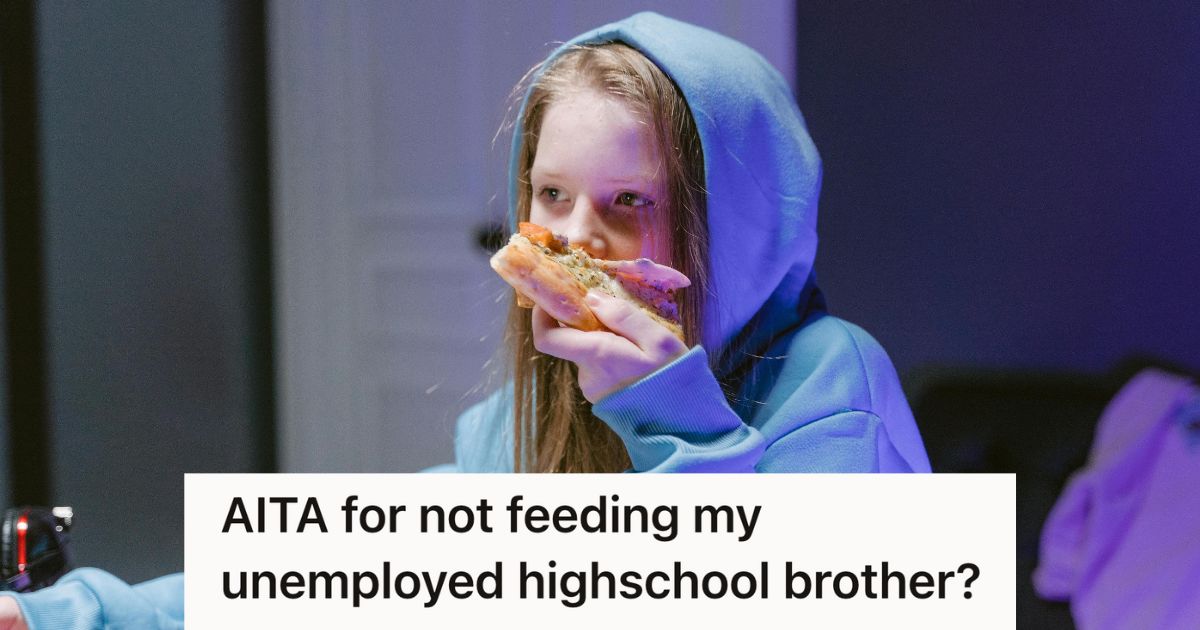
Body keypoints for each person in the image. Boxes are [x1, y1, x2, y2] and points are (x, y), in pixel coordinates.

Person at [0, 11, 930, 628]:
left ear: (738, 223)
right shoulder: (515, 429)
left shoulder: (832, 385)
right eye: (551, 194)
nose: (576, 238)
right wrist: (76, 612)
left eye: (629, 203)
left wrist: (675, 421)